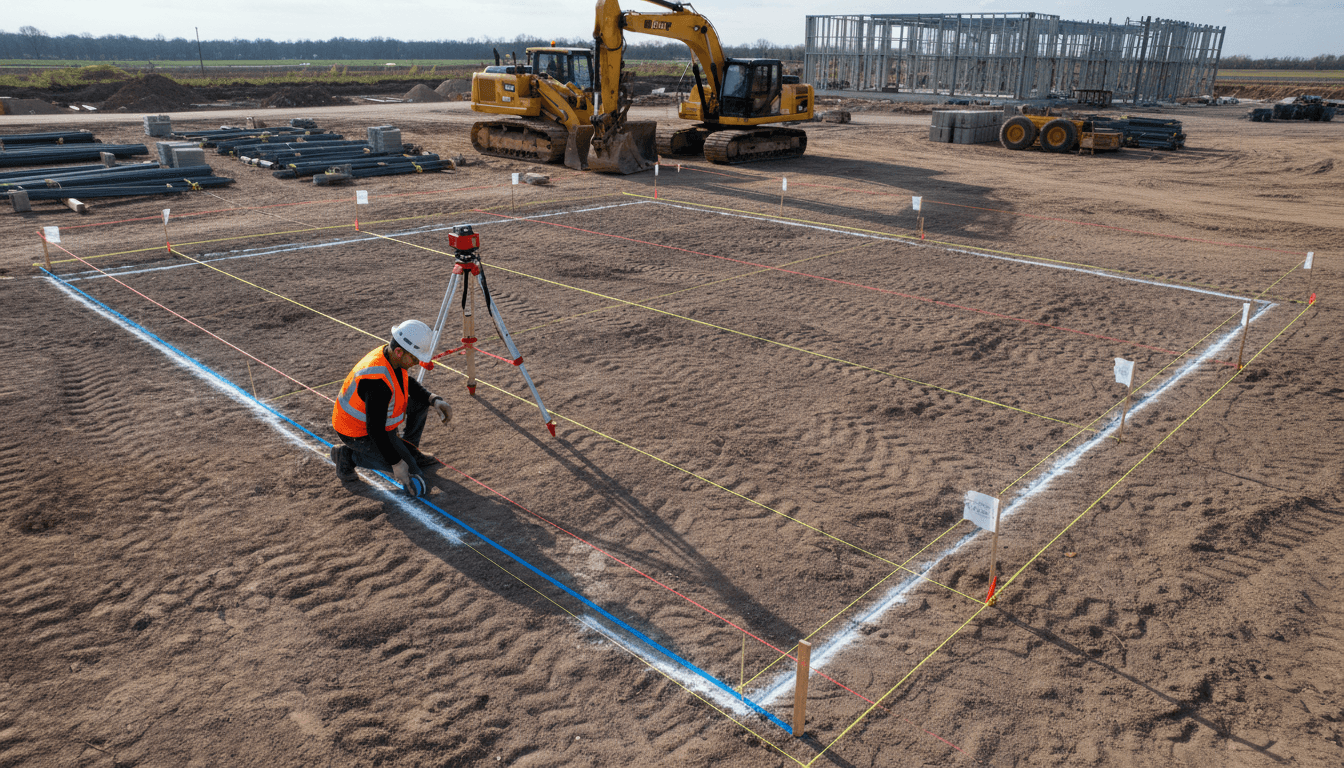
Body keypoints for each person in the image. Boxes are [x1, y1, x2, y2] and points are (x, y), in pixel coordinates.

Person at [329, 320, 453, 494]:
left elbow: (405, 381)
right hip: (356, 432)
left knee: (420, 403)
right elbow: (375, 431)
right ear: (399, 351)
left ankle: (408, 448)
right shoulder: (377, 383)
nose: (417, 363)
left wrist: (433, 399)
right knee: (411, 472)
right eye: (415, 358)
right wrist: (397, 463)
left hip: (375, 421)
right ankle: (347, 456)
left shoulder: (392, 357)